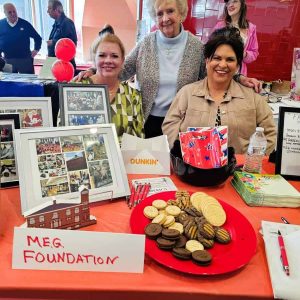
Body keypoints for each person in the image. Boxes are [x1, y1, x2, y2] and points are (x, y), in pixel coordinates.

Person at [75, 0, 261, 138]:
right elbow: (121, 70)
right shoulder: (145, 44)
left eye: (170, 11)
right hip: (146, 122)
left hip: (183, 123)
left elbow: (213, 74)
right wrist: (93, 71)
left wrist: (239, 79)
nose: (165, 19)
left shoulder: (196, 47)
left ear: (181, 13)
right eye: (159, 13)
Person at [162, 27, 276, 155]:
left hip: (239, 172)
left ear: (238, 65)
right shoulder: (187, 94)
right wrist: (183, 154)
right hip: (192, 170)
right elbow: (169, 127)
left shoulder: (253, 99)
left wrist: (251, 162)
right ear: (207, 61)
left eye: (230, 60)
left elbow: (270, 134)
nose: (222, 65)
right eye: (217, 58)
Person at [74, 27, 145, 143]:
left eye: (114, 56)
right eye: (102, 55)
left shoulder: (133, 97)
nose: (108, 60)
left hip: (123, 159)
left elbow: (138, 140)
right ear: (94, 58)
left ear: (122, 61)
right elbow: (65, 133)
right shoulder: (76, 89)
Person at [213, 0, 258, 76]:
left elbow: (254, 53)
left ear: (242, 4)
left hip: (239, 74)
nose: (230, 5)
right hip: (220, 70)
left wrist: (244, 54)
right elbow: (210, 49)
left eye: (234, 1)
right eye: (228, 2)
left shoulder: (251, 28)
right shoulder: (219, 26)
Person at [0, 3, 42, 74]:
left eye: (14, 11)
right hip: (8, 60)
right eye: (10, 12)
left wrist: (36, 49)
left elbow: (38, 38)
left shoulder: (25, 24)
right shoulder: (1, 24)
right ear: (5, 13)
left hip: (25, 60)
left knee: (29, 82)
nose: (13, 14)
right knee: (10, 82)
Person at [47, 0, 77, 70]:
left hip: (64, 64)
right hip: (53, 61)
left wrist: (53, 42)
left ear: (57, 10)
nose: (47, 11)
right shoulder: (56, 23)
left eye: (49, 8)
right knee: (44, 78)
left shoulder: (67, 23)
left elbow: (71, 44)